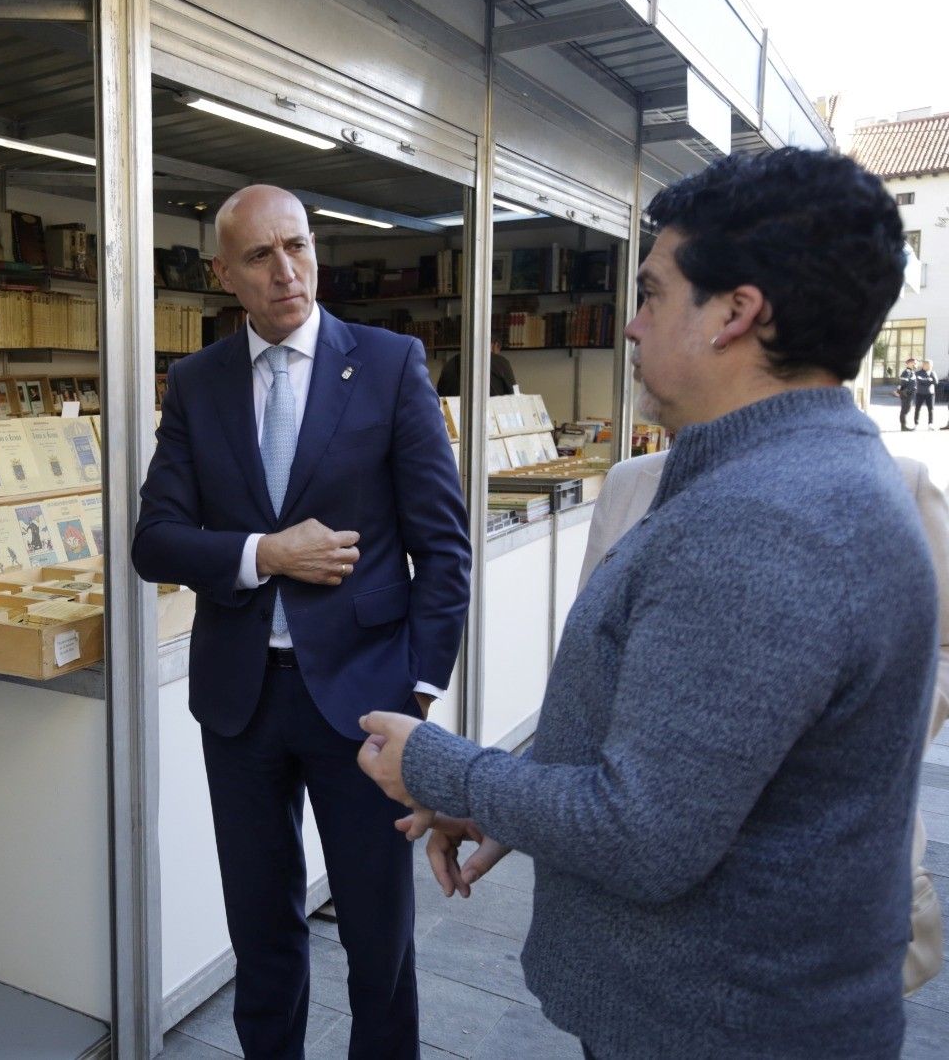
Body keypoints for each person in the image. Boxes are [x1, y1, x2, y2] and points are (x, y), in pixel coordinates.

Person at [357, 148, 934, 1058]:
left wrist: (444, 768)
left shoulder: (766, 521)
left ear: (737, 314)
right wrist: (511, 802)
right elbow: (685, 749)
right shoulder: (793, 480)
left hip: (715, 1024)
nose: (629, 324)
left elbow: (643, 831)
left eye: (655, 292)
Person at [132, 185, 470, 1057]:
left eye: (299, 246)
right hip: (241, 704)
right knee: (262, 930)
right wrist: (265, 554)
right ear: (224, 276)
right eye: (259, 256)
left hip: (365, 701)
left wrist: (420, 691)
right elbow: (156, 542)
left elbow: (443, 547)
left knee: (376, 936)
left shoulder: (390, 364)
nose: (287, 271)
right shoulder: (198, 384)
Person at [581, 448, 949, 996]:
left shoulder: (895, 482)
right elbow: (588, 663)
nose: (631, 356)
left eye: (639, 350)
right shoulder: (631, 482)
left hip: (816, 899)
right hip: (643, 888)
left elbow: (940, 646)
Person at [434, 336, 517, 397]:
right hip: (489, 416)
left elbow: (440, 395)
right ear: (495, 345)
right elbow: (514, 394)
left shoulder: (450, 363)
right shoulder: (501, 362)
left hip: (454, 416)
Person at [914, 357, 938, 428]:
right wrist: (929, 380)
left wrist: (924, 380)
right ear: (923, 365)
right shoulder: (918, 373)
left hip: (930, 394)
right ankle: (916, 424)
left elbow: (936, 382)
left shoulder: (932, 373)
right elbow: (918, 380)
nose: (929, 366)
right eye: (927, 364)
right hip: (920, 393)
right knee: (917, 409)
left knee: (930, 409)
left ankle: (930, 424)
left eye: (930, 365)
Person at [899, 357, 918, 430]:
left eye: (916, 363)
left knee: (907, 409)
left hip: (910, 394)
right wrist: (901, 392)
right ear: (909, 363)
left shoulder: (911, 371)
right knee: (905, 409)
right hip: (906, 394)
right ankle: (903, 426)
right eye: (914, 363)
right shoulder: (906, 372)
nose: (916, 364)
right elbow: (902, 383)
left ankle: (904, 426)